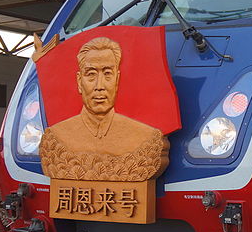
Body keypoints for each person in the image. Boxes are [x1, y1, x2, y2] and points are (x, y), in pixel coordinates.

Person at [40, 37, 169, 181]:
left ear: (117, 80)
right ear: (79, 81)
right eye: (91, 74)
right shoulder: (57, 137)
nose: (99, 86)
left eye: (107, 74)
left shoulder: (145, 137)